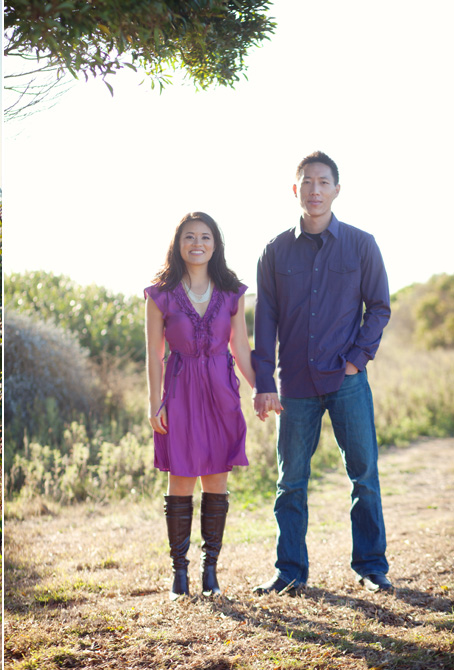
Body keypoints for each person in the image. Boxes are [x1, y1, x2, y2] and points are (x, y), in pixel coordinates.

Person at [252, 150, 392, 595]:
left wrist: (356, 359)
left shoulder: (361, 243)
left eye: (323, 182)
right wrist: (264, 383)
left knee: (363, 476)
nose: (315, 190)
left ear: (336, 189)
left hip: (346, 380)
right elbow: (265, 322)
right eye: (307, 182)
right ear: (295, 190)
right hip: (294, 385)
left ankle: (371, 567)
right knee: (289, 482)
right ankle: (289, 571)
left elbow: (379, 308)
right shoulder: (274, 251)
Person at [144, 212, 257, 600]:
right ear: (178, 243)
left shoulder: (231, 292)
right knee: (180, 479)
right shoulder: (160, 293)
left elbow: (240, 348)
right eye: (189, 236)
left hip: (221, 392)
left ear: (215, 243)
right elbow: (153, 355)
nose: (197, 243)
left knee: (216, 479)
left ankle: (211, 572)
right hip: (179, 392)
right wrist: (155, 403)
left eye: (205, 237)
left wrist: (261, 388)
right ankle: (180, 574)